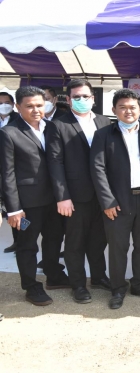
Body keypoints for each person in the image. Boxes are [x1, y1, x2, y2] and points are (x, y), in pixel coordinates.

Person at [90, 89, 140, 309]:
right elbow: (97, 169)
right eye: (122, 107)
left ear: (139, 109)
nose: (128, 111)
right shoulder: (103, 135)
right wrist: (107, 201)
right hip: (117, 202)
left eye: (132, 107)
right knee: (118, 247)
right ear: (114, 110)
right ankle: (118, 289)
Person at [0, 86, 68, 306]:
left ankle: (53, 275)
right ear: (18, 107)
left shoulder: (52, 127)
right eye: (29, 106)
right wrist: (13, 209)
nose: (36, 110)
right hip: (27, 204)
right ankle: (31, 286)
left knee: (54, 238)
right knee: (27, 245)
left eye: (39, 105)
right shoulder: (9, 132)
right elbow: (7, 174)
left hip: (54, 199)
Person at [46, 79, 112, 304]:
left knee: (99, 240)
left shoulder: (105, 121)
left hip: (102, 194)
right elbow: (55, 162)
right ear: (68, 99)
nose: (81, 100)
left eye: (85, 96)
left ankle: (99, 277)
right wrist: (62, 196)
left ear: (93, 98)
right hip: (75, 195)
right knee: (75, 243)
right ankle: (78, 285)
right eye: (76, 97)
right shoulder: (58, 125)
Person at [0, 92, 21, 254]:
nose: (4, 106)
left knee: (14, 207)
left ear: (13, 104)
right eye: (0, 103)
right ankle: (17, 241)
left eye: (7, 102)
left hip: (13, 172)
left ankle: (21, 240)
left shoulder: (18, 121)